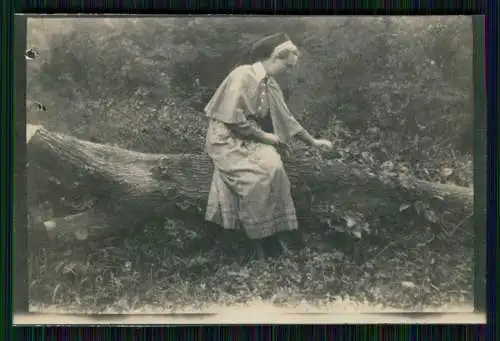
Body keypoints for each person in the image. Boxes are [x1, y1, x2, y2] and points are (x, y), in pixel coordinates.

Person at [204, 33, 333, 260]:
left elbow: (287, 118)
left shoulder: (269, 84)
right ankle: (258, 240)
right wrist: (265, 137)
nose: (289, 71)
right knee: (257, 177)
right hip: (225, 138)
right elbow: (233, 120)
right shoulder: (241, 75)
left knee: (275, 168)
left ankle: (275, 233)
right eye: (287, 65)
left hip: (251, 136)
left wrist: (312, 141)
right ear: (275, 58)